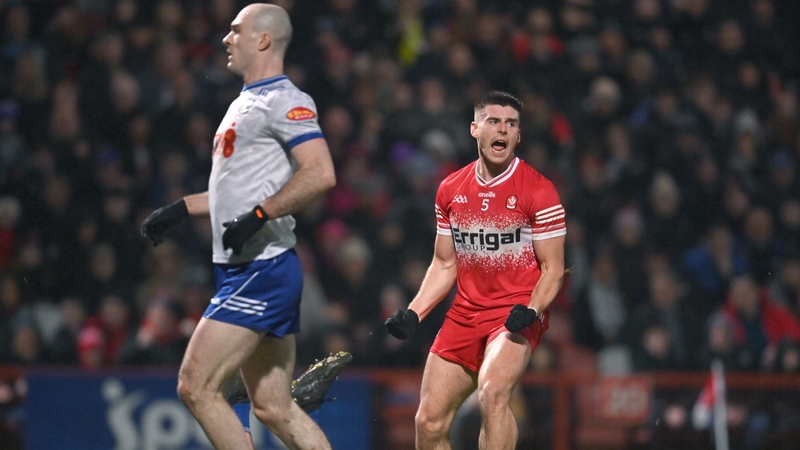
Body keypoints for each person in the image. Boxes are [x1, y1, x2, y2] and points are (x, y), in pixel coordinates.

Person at [140, 4, 336, 449]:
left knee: (196, 386)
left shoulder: (286, 100)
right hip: (247, 268)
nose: (226, 39)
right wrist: (180, 209)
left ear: (263, 39)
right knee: (272, 407)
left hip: (261, 271)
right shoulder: (244, 103)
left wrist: (261, 217)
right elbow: (237, 197)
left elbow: (320, 173)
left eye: (235, 31)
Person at [385, 91, 566, 450]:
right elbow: (444, 263)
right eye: (493, 121)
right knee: (428, 420)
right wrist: (414, 313)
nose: (502, 130)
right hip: (465, 313)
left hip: (515, 312)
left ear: (518, 135)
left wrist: (531, 310)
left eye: (511, 124)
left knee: (492, 393)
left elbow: (554, 269)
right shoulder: (450, 189)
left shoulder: (540, 191)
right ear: (474, 129)